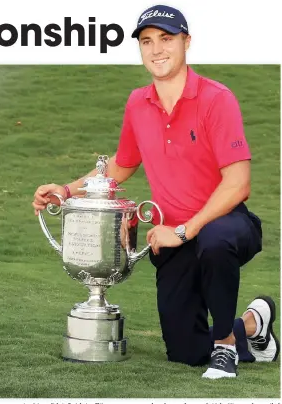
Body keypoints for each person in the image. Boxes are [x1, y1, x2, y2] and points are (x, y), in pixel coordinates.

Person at [32, 5, 279, 379]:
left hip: (226, 225)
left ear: (186, 43)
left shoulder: (217, 99)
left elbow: (238, 183)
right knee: (187, 352)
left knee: (214, 240)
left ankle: (226, 346)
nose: (156, 49)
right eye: (147, 41)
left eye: (166, 39)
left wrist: (184, 230)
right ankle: (253, 324)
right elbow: (122, 164)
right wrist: (66, 191)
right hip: (173, 238)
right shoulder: (138, 103)